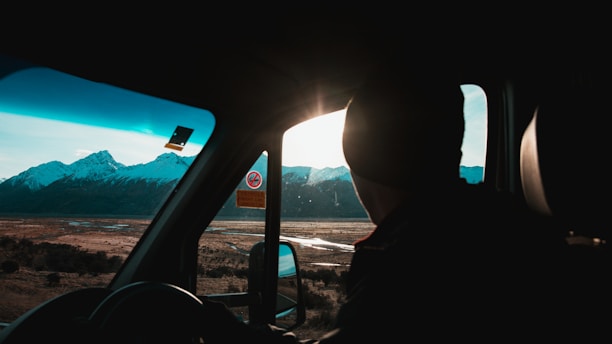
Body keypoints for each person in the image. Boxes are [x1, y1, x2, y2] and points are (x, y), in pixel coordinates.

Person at [199, 56, 524, 342]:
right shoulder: (509, 231)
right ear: (453, 147)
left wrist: (222, 331)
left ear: (361, 157)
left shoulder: (407, 269)